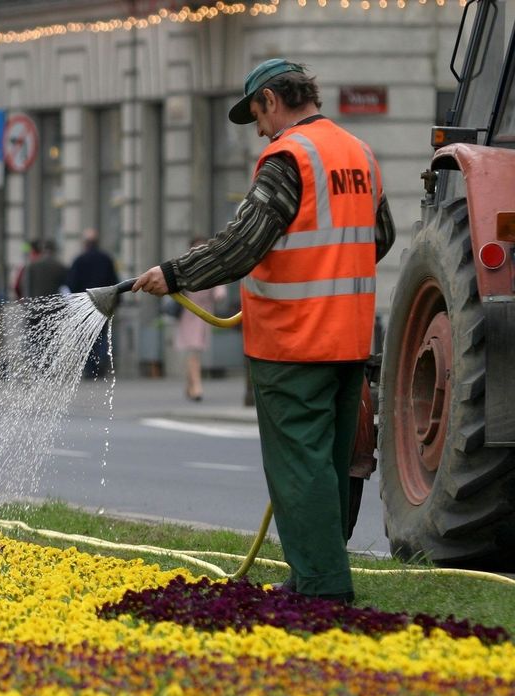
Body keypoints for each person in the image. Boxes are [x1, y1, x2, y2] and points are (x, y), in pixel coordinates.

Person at [130, 58, 395, 604]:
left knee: (300, 470)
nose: (259, 131)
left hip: (295, 345)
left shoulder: (287, 158)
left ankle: (322, 590)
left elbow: (241, 245)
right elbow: (381, 236)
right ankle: (310, 573)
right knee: (330, 466)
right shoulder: (359, 154)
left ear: (272, 101)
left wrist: (173, 274)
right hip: (348, 343)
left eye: (257, 115)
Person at [173, 237, 226, 401]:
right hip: (188, 313)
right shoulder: (184, 267)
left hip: (203, 314)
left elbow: (219, 288)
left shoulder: (212, 266)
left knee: (195, 351)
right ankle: (196, 387)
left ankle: (190, 385)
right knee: (193, 350)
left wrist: (218, 294)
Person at [67, 228, 119, 377]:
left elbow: (72, 282)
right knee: (102, 334)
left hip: (86, 303)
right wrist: (116, 302)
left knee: (87, 336)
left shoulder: (79, 260)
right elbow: (114, 281)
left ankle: (90, 368)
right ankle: (101, 363)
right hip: (104, 302)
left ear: (86, 243)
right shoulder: (106, 259)